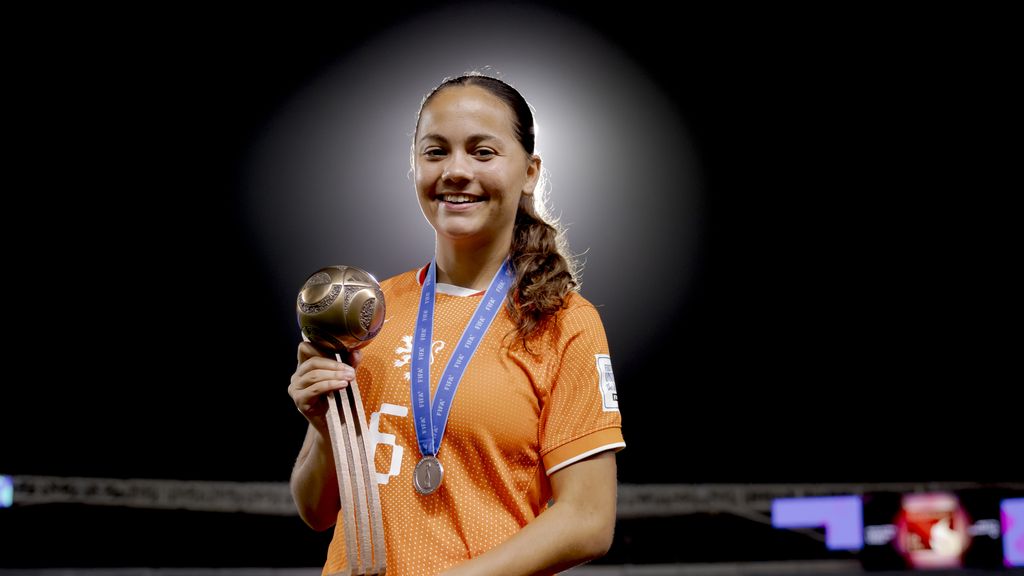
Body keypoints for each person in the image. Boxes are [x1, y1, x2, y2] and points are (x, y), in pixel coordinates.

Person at [288, 73, 625, 576]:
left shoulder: (563, 322)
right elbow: (316, 512)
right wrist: (323, 428)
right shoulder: (372, 310)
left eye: (483, 152)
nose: (456, 170)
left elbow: (588, 519)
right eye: (436, 151)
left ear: (530, 171)